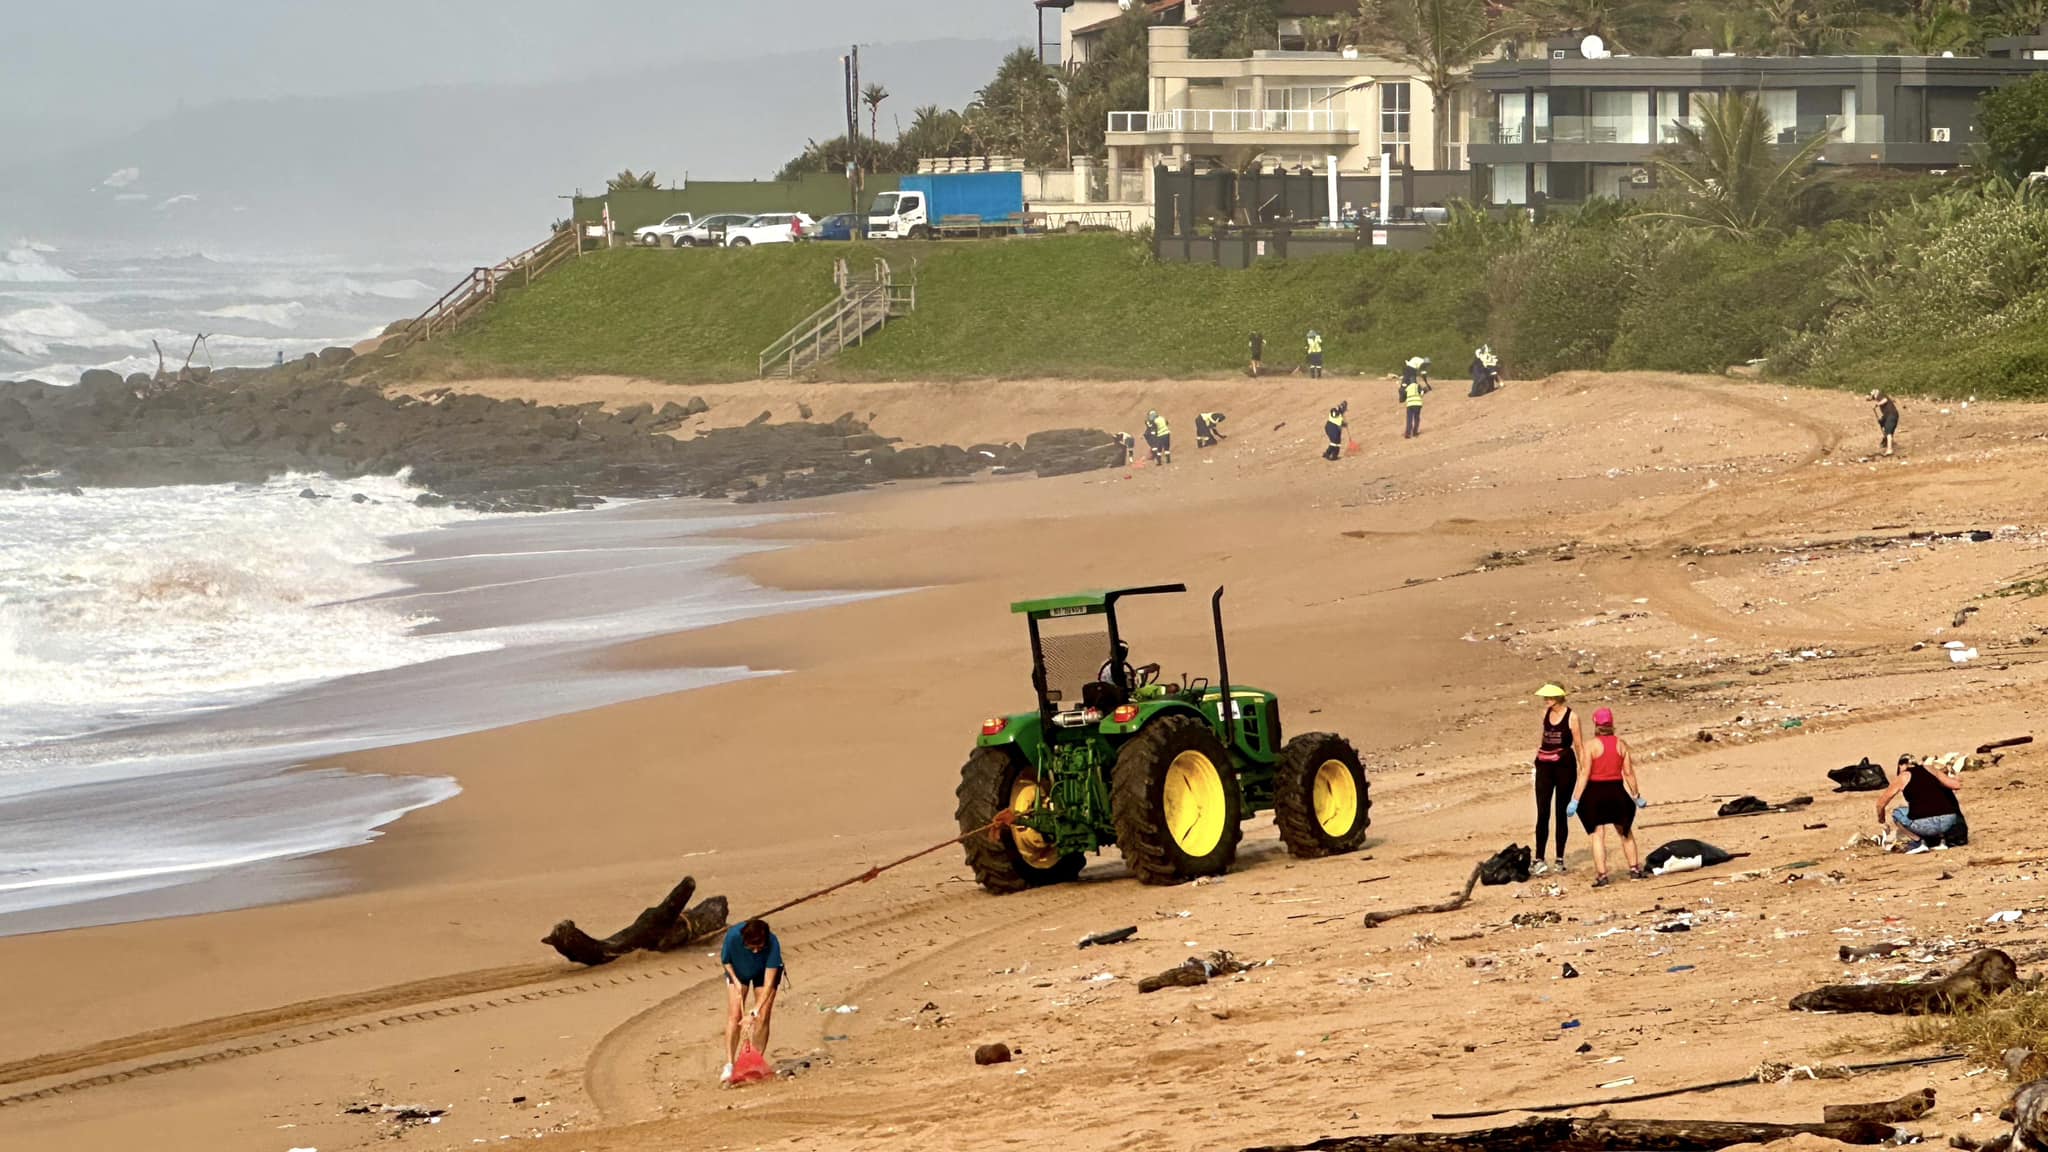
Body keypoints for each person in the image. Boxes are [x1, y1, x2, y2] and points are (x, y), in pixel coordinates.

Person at [1566, 707, 1646, 887]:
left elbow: (1584, 774)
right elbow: (1628, 773)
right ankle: (1634, 869)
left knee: (1597, 834)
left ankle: (1602, 876)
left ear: (1595, 723)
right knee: (1625, 832)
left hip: (1595, 794)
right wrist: (1636, 795)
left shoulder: (1590, 746)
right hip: (1617, 792)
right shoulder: (1621, 745)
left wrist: (1575, 800)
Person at [720, 918, 784, 1084]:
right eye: (751, 947)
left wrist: (753, 1012)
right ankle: (729, 1064)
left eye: (759, 947)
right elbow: (726, 961)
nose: (755, 951)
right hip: (738, 972)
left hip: (763, 974)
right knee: (735, 1015)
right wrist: (735, 981)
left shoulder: (772, 942)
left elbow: (769, 984)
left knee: (763, 1015)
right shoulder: (732, 936)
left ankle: (754, 1063)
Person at [1532, 683, 1586, 876]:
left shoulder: (1572, 717)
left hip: (1564, 766)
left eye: (1549, 697)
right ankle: (1539, 858)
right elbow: (1543, 738)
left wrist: (1583, 768)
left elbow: (1579, 745)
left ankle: (1559, 859)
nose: (1546, 700)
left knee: (1561, 813)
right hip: (1545, 766)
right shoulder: (1544, 713)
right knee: (1542, 812)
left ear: (1558, 697)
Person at [1875, 753, 1963, 853]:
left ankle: (1918, 843)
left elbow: (1881, 803)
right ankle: (1941, 841)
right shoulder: (1931, 769)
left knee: (1897, 813)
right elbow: (1956, 785)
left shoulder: (1903, 776)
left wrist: (1881, 821)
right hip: (1948, 821)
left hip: (1926, 824)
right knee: (1932, 808)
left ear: (1901, 766)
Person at [1401, 366, 1428, 439]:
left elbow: (1403, 396)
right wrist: (1425, 390)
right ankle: (1415, 432)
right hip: (1418, 404)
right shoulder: (1418, 386)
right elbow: (1422, 393)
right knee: (1416, 418)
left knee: (1409, 419)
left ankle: (1407, 434)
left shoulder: (1408, 387)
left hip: (1410, 404)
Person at [1871, 389, 1899, 457]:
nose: (1874, 398)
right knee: (1885, 427)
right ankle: (1887, 441)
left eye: (1873, 396)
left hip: (1891, 415)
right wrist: (1882, 420)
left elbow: (1885, 400)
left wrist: (1877, 404)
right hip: (1890, 415)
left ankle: (1889, 449)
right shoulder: (1879, 397)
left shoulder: (1880, 395)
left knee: (1888, 430)